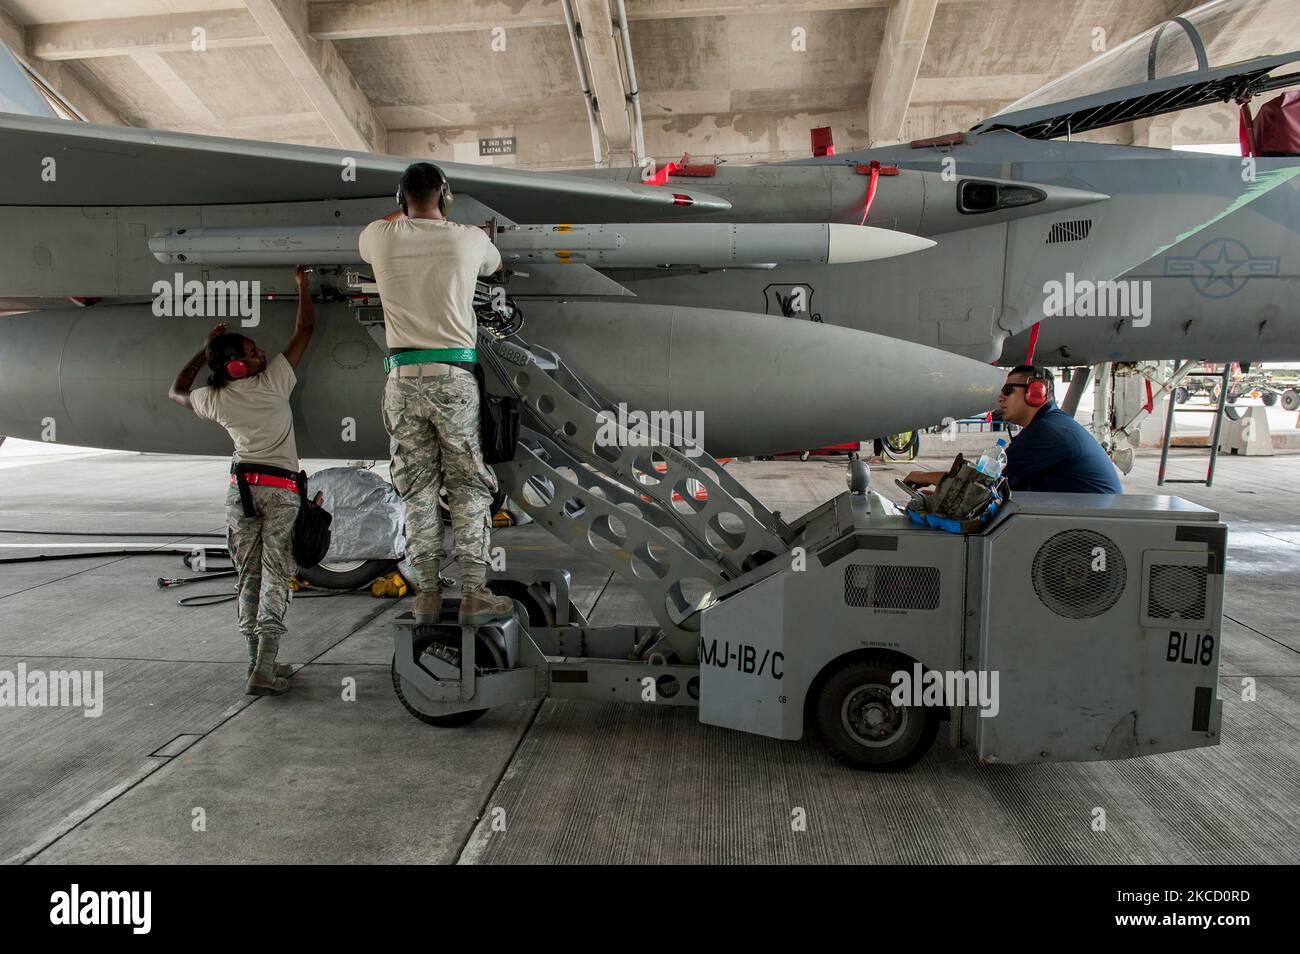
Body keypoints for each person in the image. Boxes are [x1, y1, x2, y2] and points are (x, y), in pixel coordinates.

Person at [358, 161, 513, 627]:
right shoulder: (467, 238)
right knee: (466, 485)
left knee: (416, 489)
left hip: (401, 380)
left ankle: (425, 593)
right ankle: (472, 592)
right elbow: (498, 267)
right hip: (453, 377)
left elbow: (382, 229)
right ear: (445, 197)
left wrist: (400, 213)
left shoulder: (380, 236)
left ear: (399, 198)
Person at [168, 266, 316, 695]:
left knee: (247, 577)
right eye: (252, 351)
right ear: (237, 366)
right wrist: (304, 285)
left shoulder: (214, 400)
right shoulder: (273, 383)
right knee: (275, 576)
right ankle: (266, 667)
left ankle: (255, 664)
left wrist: (204, 350)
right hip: (281, 492)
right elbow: (305, 327)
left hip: (241, 493)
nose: (261, 352)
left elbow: (177, 390)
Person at [906, 365, 1123, 494]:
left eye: (1008, 390)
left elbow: (982, 484)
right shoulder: (1050, 425)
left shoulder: (1047, 433)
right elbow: (1002, 487)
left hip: (1080, 538)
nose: (1000, 397)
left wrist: (924, 477)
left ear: (1036, 393)